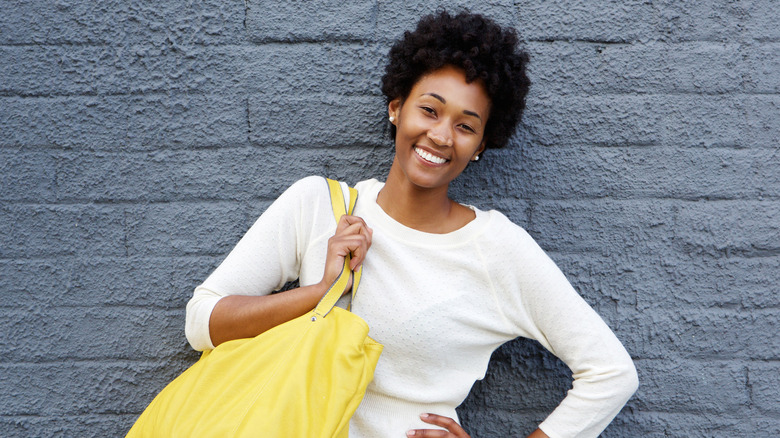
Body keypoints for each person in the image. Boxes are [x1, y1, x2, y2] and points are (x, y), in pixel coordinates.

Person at [185, 10, 638, 438]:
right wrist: (320, 291)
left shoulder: (495, 247)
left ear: (481, 144)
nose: (441, 135)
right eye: (430, 110)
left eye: (466, 126)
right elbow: (202, 322)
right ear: (396, 108)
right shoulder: (317, 206)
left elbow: (611, 373)